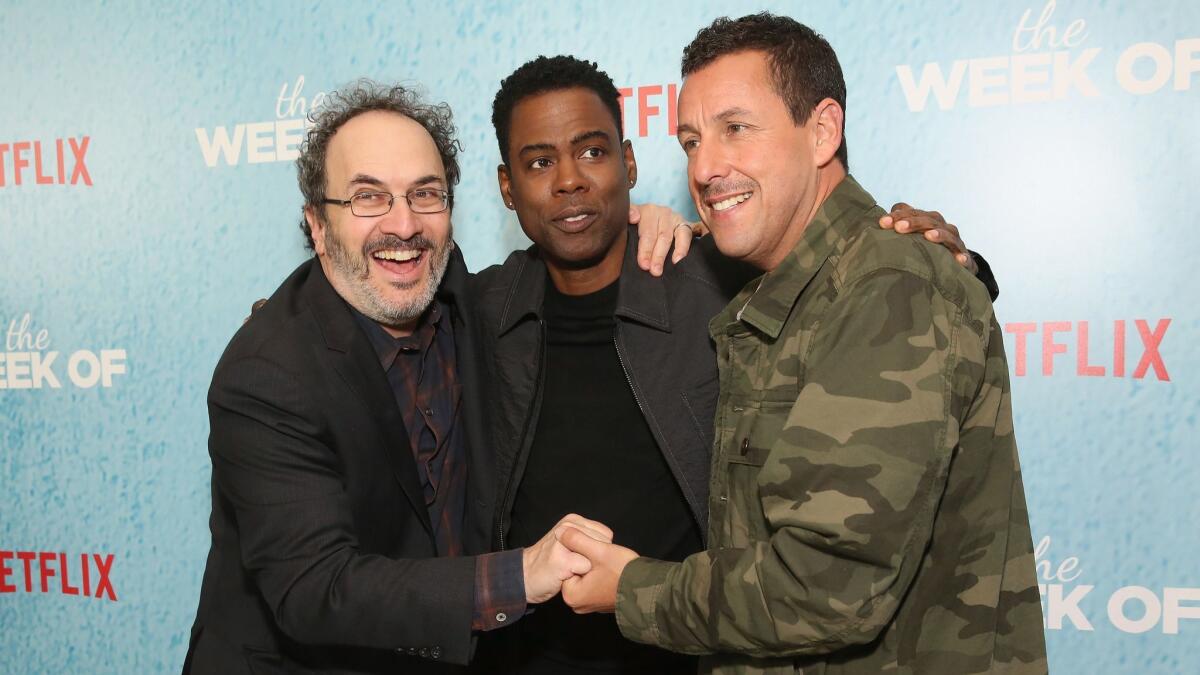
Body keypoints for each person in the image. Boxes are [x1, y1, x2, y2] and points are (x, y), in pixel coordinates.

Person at [474, 56, 1000, 675]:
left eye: (592, 152)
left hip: (702, 646)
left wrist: (958, 262)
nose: (569, 181)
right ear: (508, 187)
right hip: (528, 653)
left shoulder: (721, 276)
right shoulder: (476, 314)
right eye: (539, 163)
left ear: (630, 163)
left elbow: (854, 286)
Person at [183, 82, 613, 675]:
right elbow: (317, 590)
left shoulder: (463, 296)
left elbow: (575, 247)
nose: (404, 225)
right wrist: (520, 575)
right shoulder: (266, 374)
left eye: (425, 194)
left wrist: (646, 227)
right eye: (368, 198)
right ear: (317, 223)